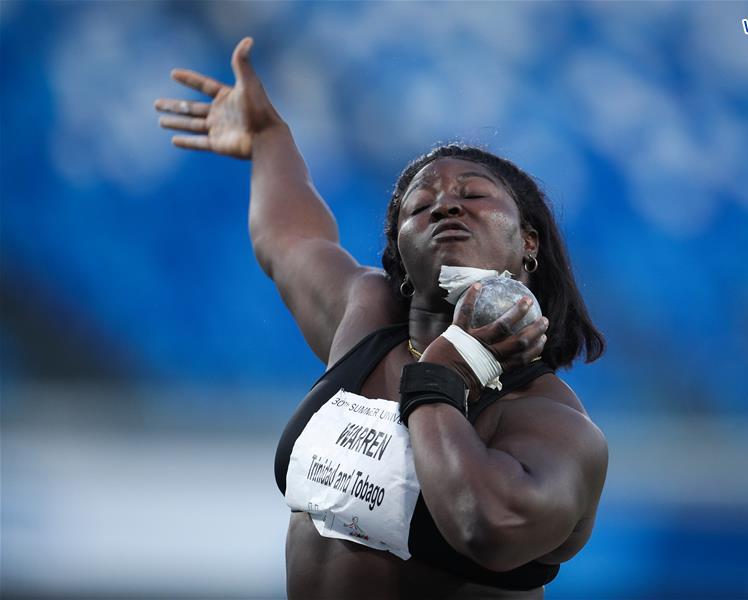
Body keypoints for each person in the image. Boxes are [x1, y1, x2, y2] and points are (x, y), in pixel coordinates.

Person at [156, 37, 608, 600]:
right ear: (398, 254)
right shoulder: (366, 318)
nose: (446, 205)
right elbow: (290, 238)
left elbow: (488, 524)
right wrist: (270, 141)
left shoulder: (549, 420)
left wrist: (445, 373)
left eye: (473, 195)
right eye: (421, 206)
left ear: (528, 244)